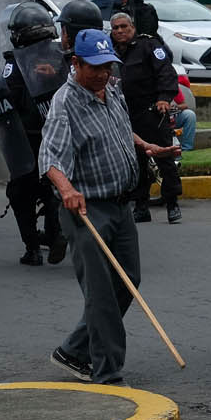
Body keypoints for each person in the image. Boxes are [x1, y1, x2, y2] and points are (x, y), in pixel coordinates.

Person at [40, 28, 180, 386]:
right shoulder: (65, 103)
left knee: (128, 279)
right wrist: (67, 189)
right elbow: (51, 157)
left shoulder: (111, 91)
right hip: (87, 210)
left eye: (108, 66)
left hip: (120, 206)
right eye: (96, 67)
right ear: (76, 64)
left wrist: (147, 146)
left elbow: (120, 130)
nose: (103, 73)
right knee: (101, 294)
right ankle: (107, 373)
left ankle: (73, 350)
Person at [0, 3, 68, 267]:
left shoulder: (15, 62)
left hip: (26, 138)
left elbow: (7, 93)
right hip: (57, 136)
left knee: (20, 193)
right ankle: (55, 233)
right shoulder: (61, 59)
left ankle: (32, 248)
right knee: (53, 186)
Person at [110, 12, 181, 225]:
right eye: (116, 28)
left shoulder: (149, 46)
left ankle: (172, 204)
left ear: (132, 26)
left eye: (124, 26)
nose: (120, 31)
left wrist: (165, 98)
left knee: (164, 158)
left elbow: (166, 73)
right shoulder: (109, 51)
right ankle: (141, 206)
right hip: (125, 114)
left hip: (152, 111)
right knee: (136, 162)